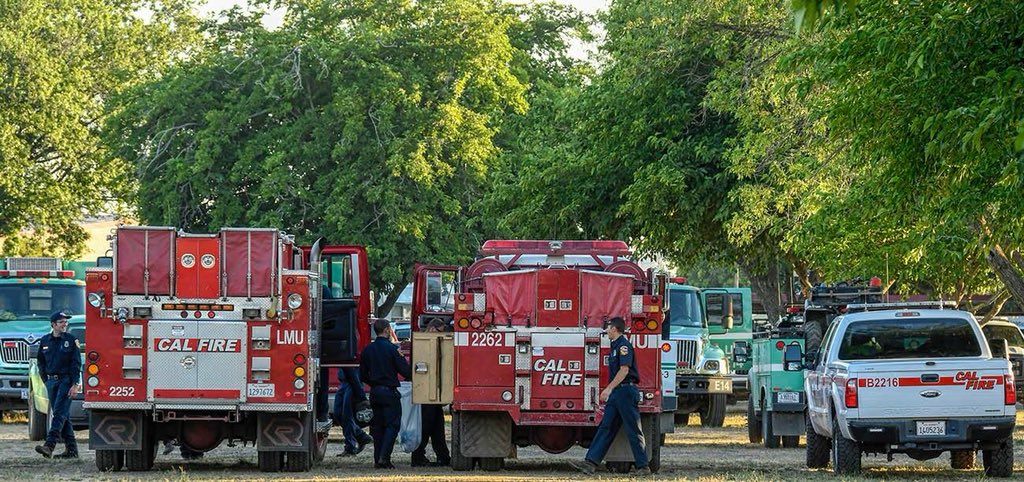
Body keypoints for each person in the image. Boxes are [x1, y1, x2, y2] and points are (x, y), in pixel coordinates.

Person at [571, 317, 649, 476]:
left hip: (625, 392)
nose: (606, 330)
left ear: (615, 328)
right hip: (618, 393)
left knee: (633, 429)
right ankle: (590, 463)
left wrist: (608, 389)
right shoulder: (615, 346)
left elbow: (624, 370)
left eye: (608, 327)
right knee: (606, 427)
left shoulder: (623, 346)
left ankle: (643, 466)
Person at [359, 319, 411, 469]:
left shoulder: (367, 350)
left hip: (375, 392)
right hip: (390, 392)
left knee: (377, 428)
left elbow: (362, 375)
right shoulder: (393, 349)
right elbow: (405, 371)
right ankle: (384, 458)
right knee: (392, 425)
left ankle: (377, 459)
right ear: (388, 330)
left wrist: (374, 383)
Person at [34, 312, 82, 459]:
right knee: (63, 416)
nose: (64, 324)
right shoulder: (45, 340)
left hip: (66, 382)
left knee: (59, 414)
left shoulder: (71, 340)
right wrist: (46, 381)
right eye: (61, 322)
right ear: (53, 324)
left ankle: (49, 445)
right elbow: (41, 362)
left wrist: (75, 384)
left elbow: (76, 364)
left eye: (65, 322)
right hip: (51, 382)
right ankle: (72, 450)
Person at [411, 319, 451, 467]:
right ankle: (418, 457)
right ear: (433, 330)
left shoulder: (429, 344)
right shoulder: (423, 344)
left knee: (437, 428)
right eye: (441, 331)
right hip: (426, 395)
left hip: (433, 395)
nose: (443, 334)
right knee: (426, 428)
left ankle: (443, 456)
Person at [334, 366, 373, 456]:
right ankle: (360, 435)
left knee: (347, 416)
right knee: (338, 414)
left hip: (353, 383)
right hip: (345, 382)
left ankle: (350, 447)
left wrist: (360, 393)